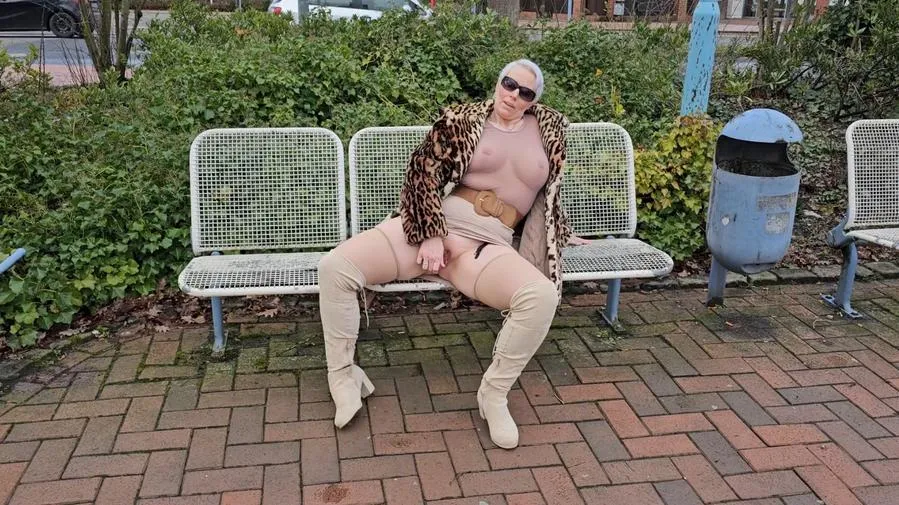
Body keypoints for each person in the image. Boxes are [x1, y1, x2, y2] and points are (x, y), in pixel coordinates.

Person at [317, 58, 588, 449]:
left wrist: (560, 231)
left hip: (486, 246)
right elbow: (421, 172)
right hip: (435, 228)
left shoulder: (548, 130)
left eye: (525, 91)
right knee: (335, 267)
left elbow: (549, 196)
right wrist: (431, 233)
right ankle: (344, 377)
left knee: (541, 296)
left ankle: (493, 395)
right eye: (509, 83)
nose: (513, 94)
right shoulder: (461, 120)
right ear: (499, 82)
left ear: (534, 100)